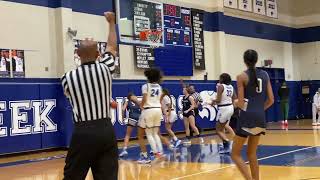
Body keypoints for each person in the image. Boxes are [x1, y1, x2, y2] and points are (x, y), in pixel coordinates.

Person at [60, 12, 118, 180]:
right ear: (98, 54)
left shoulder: (67, 78)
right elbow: (112, 47)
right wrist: (111, 23)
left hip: (83, 132)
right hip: (106, 130)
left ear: (77, 54)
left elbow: (73, 97)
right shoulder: (106, 67)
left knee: (72, 177)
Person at [232, 49, 274, 180]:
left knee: (235, 154)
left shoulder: (241, 77)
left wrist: (234, 102)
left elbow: (240, 103)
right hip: (260, 117)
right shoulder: (266, 75)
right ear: (256, 60)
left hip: (247, 118)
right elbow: (271, 100)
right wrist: (260, 110)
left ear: (244, 61)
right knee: (251, 153)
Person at [139, 68, 164, 158]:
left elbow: (145, 98)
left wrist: (141, 105)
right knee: (155, 133)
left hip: (149, 109)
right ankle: (160, 151)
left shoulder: (146, 86)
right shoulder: (159, 86)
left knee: (149, 133)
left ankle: (155, 152)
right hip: (158, 109)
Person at [211, 73, 236, 154]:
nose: (219, 79)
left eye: (220, 78)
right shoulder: (231, 87)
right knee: (222, 128)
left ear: (222, 79)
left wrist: (212, 101)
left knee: (218, 130)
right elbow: (234, 98)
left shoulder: (221, 86)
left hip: (223, 108)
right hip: (230, 107)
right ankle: (225, 146)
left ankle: (227, 144)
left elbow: (218, 100)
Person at [119, 93, 141, 157]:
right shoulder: (138, 101)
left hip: (132, 118)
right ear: (132, 97)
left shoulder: (127, 102)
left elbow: (123, 109)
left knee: (128, 135)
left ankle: (124, 150)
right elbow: (143, 109)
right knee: (141, 135)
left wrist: (123, 117)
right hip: (139, 118)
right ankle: (146, 151)